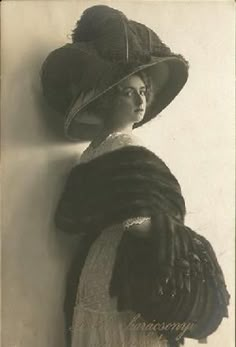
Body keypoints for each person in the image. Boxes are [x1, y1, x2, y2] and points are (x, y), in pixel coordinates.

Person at [40, 5, 230, 347]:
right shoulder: (127, 144)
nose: (140, 101)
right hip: (123, 278)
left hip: (96, 267)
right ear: (105, 99)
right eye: (129, 92)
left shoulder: (90, 152)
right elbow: (139, 221)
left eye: (143, 92)